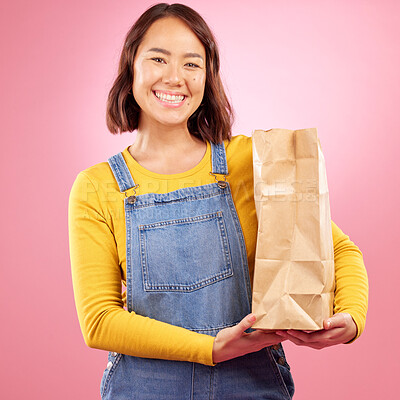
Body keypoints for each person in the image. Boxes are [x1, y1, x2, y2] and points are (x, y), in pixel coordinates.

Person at [68, 3, 368, 399]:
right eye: (158, 58)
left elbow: (339, 248)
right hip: (144, 388)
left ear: (208, 78)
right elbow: (100, 321)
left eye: (192, 64)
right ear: (132, 67)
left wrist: (351, 317)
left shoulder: (251, 163)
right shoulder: (96, 186)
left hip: (251, 383)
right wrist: (210, 348)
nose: (175, 78)